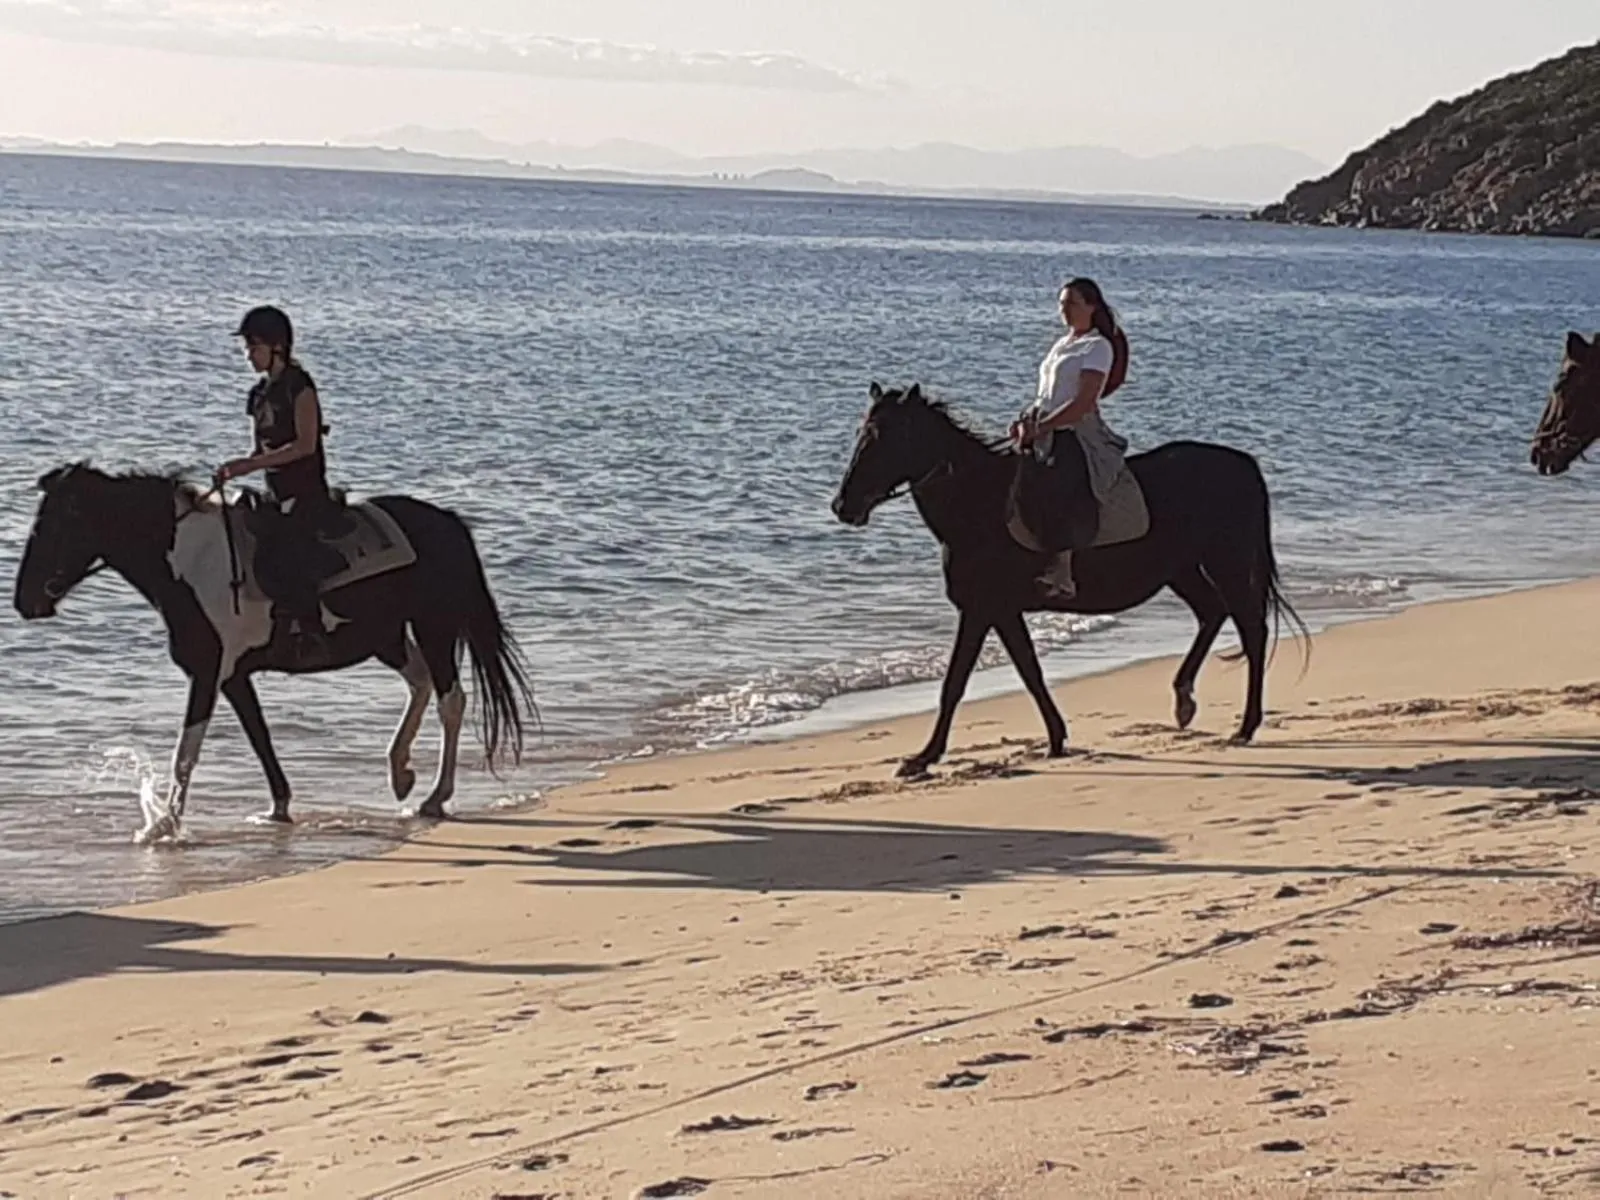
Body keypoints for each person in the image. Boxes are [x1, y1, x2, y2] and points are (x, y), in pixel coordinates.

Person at [215, 305, 335, 657]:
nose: (248, 356)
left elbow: (305, 444)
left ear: (277, 347)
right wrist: (234, 469)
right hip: (274, 491)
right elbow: (259, 448)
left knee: (286, 555)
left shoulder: (301, 388)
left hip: (306, 492)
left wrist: (249, 466)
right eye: (248, 348)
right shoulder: (258, 395)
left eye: (254, 347)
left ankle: (311, 628)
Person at [1010, 277, 1131, 599]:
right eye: (1062, 304)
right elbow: (1047, 394)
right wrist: (1026, 420)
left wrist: (1044, 427)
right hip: (1045, 425)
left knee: (1059, 485)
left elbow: (1082, 403)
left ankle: (1063, 570)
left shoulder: (1097, 347)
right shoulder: (1062, 344)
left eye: (1072, 304)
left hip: (1077, 431)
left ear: (1091, 307)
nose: (1064, 310)